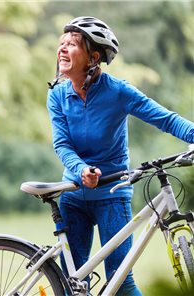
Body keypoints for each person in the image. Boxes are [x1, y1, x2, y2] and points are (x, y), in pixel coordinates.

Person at [47, 16, 194, 295]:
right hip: (74, 194)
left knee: (121, 282)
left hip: (112, 194)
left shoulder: (118, 91)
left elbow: (167, 120)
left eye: (73, 44)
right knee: (74, 285)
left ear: (94, 57)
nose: (63, 49)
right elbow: (62, 144)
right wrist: (80, 169)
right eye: (62, 43)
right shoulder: (57, 95)